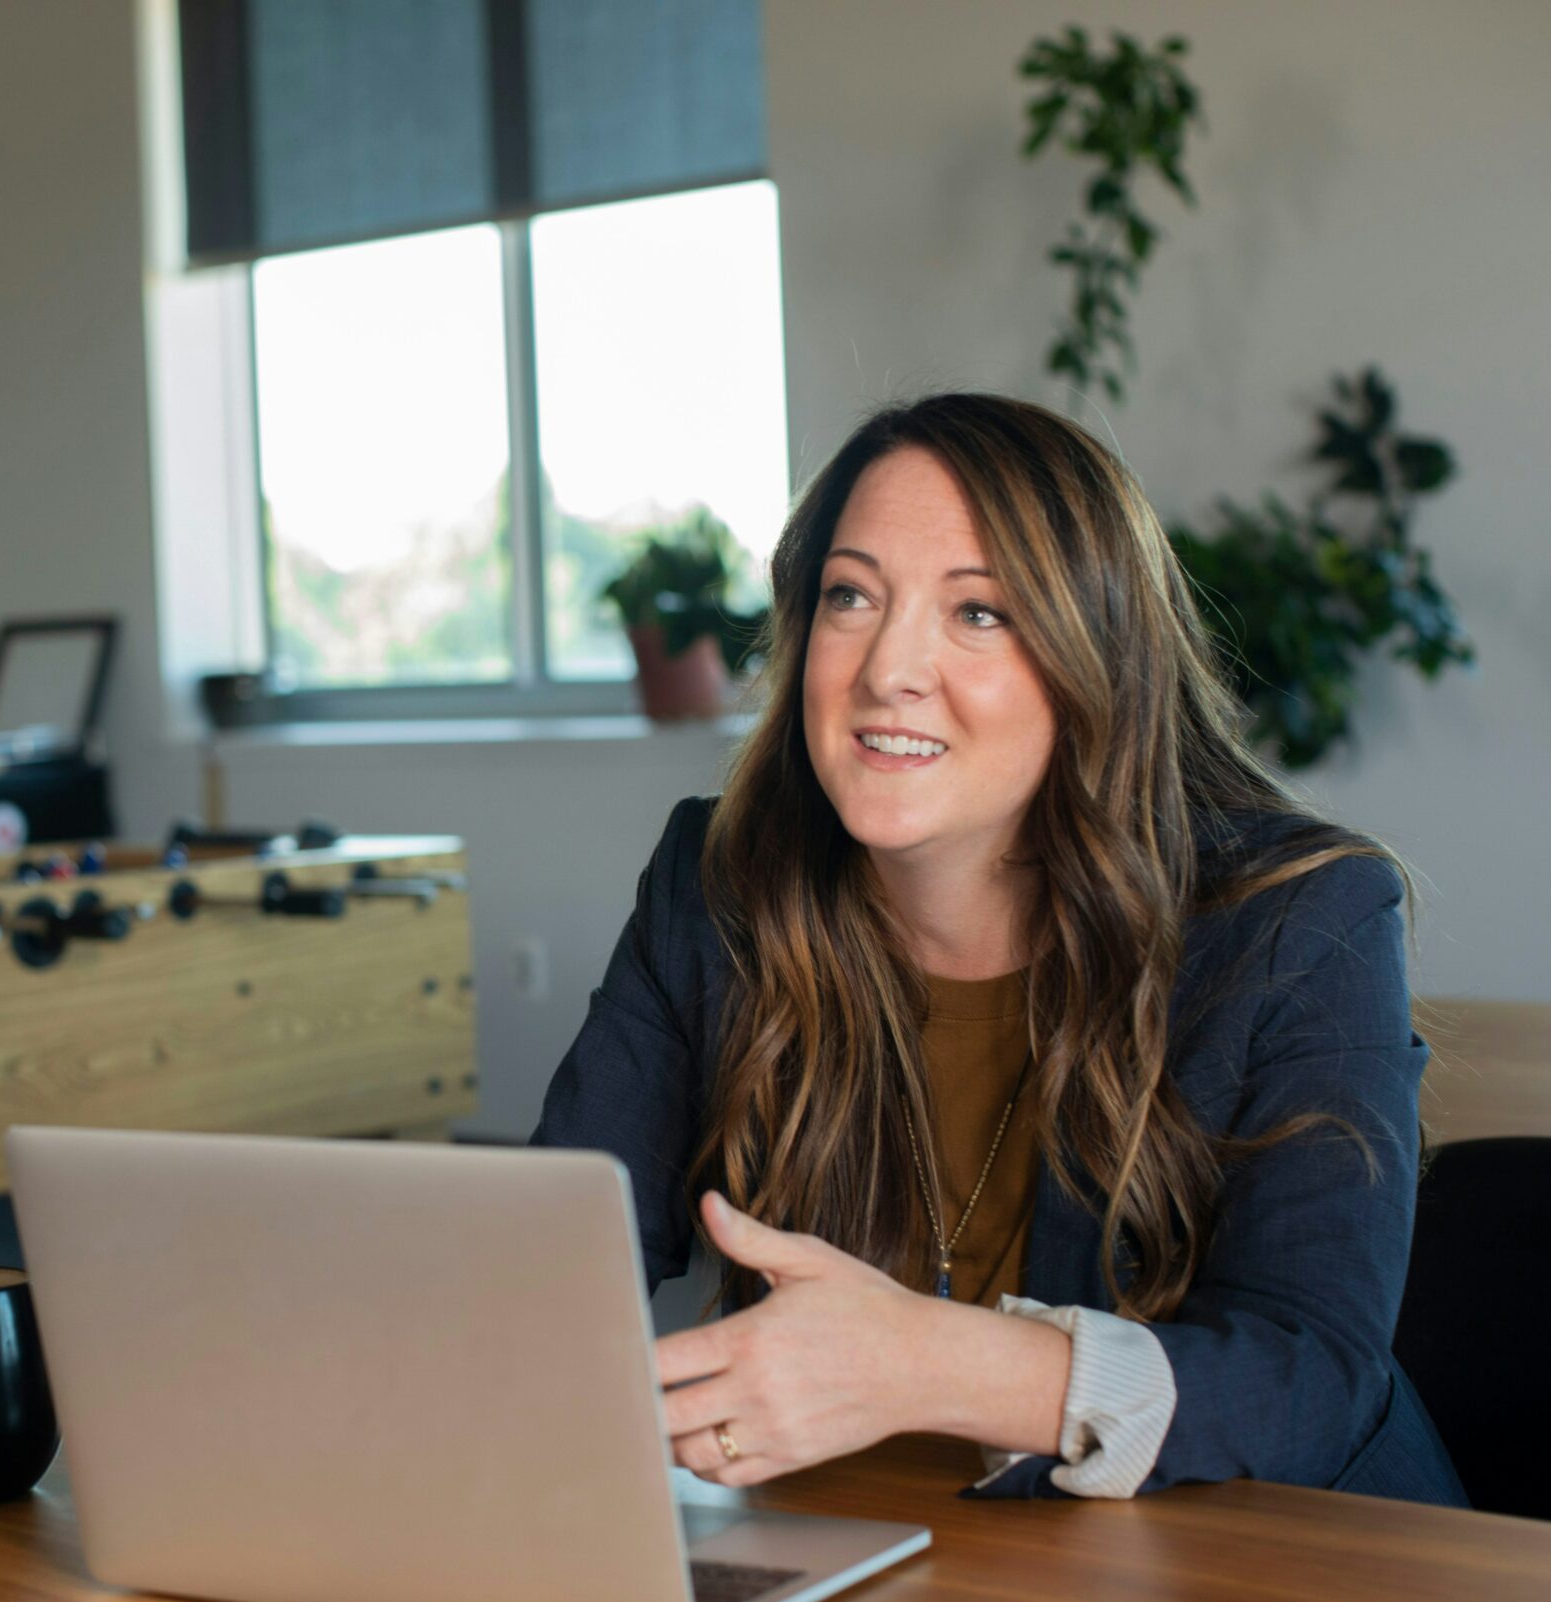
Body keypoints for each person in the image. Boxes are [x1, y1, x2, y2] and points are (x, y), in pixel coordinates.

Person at [529, 392, 1465, 1504]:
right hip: (864, 1569)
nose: (887, 669)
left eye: (979, 613)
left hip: (1251, 1586)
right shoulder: (718, 879)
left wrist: (925, 1366)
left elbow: (1311, 1384)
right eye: (849, 596)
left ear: (1098, 657)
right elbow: (554, 1262)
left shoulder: (1298, 919)